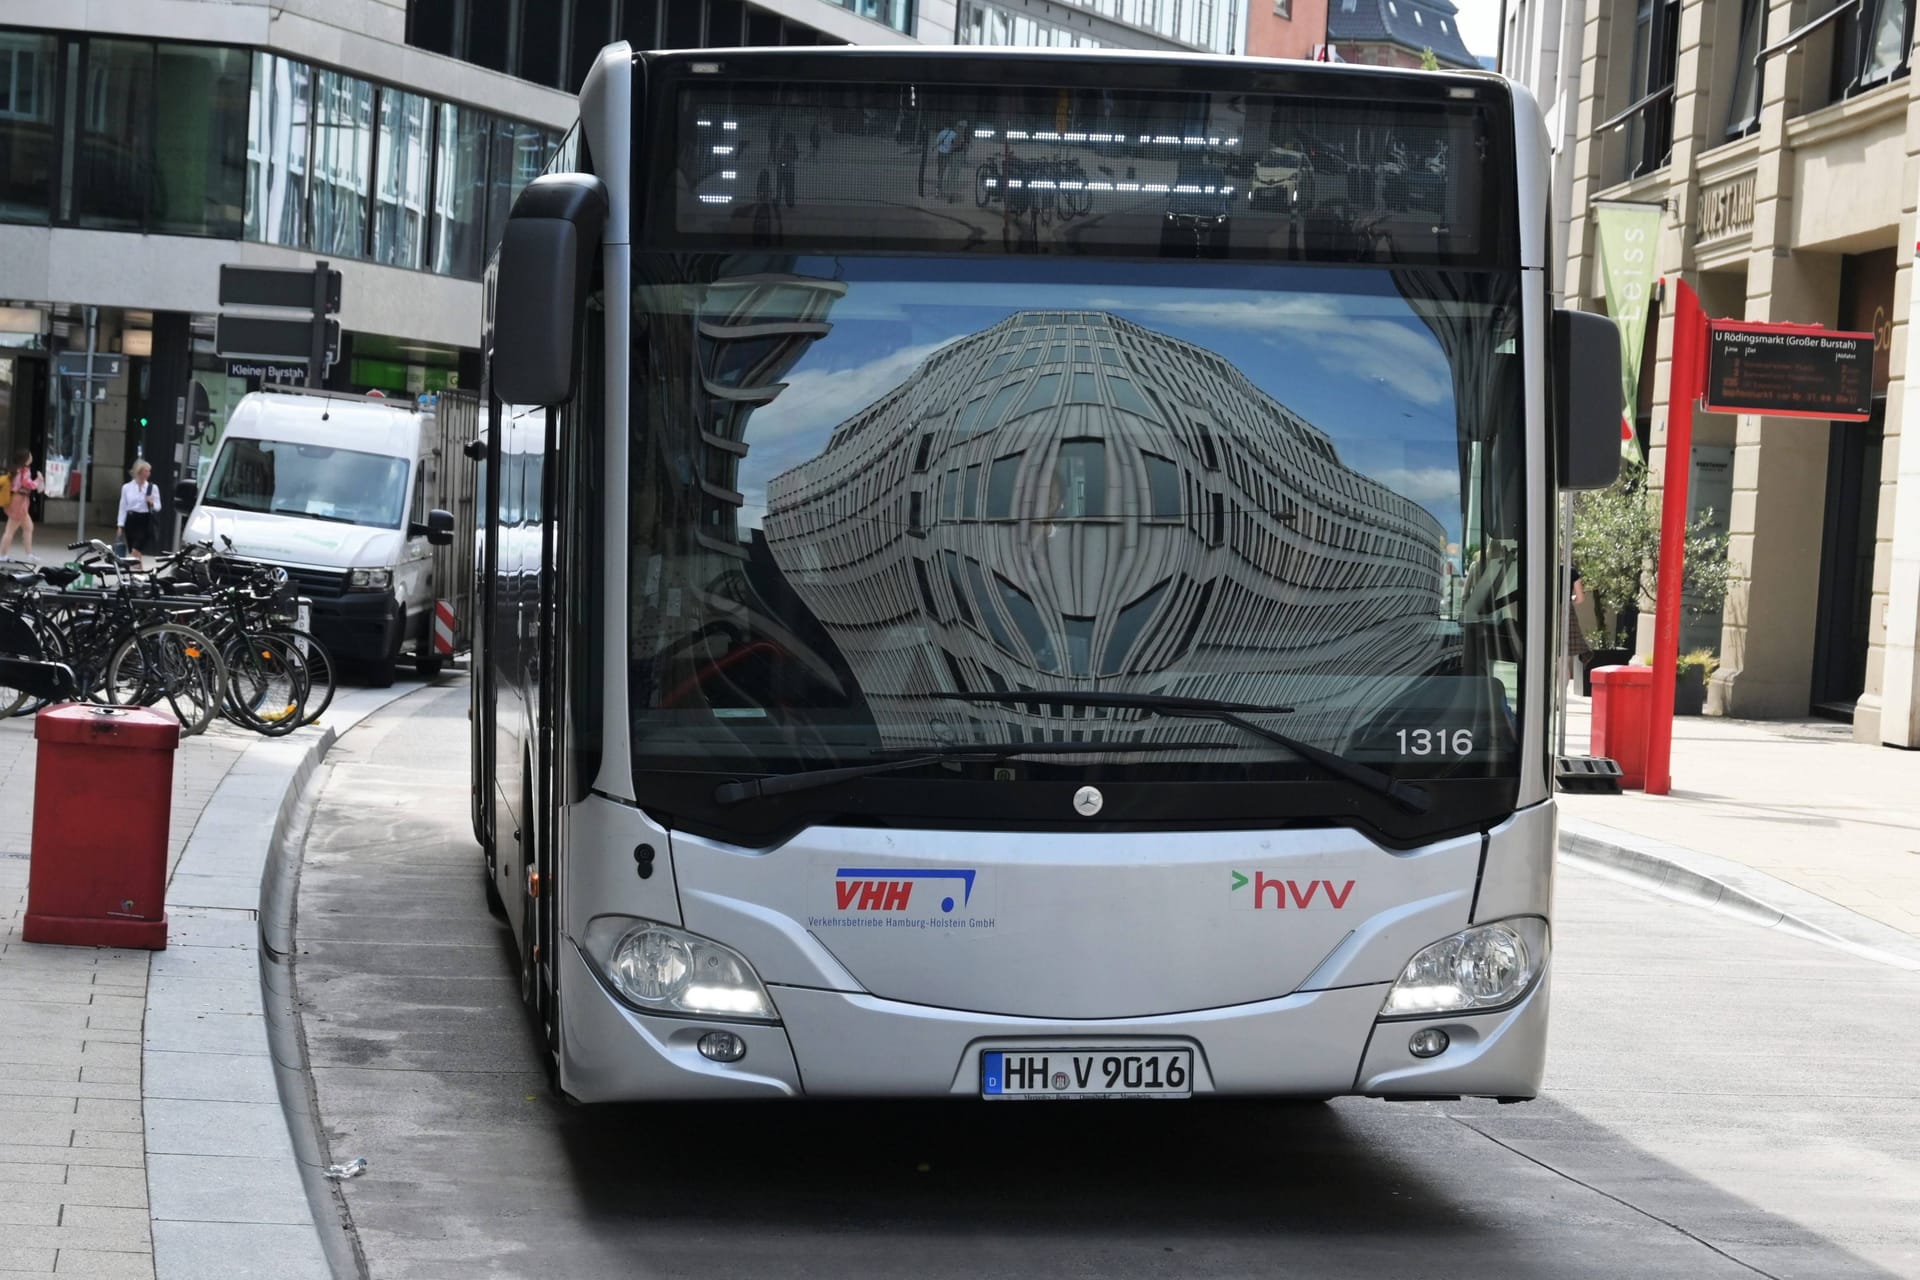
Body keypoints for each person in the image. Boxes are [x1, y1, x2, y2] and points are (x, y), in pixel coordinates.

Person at [117, 460, 162, 557]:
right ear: (139, 471)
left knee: (136, 550)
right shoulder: (126, 487)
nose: (148, 474)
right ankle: (138, 569)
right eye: (146, 471)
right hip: (131, 520)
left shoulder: (153, 488)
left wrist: (152, 503)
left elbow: (158, 507)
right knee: (135, 552)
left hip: (145, 521)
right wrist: (120, 525)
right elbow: (123, 507)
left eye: (149, 471)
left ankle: (136, 569)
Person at [0, 450, 40, 559]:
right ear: (26, 459)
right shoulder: (24, 471)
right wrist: (38, 481)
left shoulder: (17, 469)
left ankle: (29, 554)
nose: (32, 456)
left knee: (28, 527)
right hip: (19, 502)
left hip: (18, 501)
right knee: (10, 530)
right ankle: (3, 555)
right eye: (30, 455)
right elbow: (27, 484)